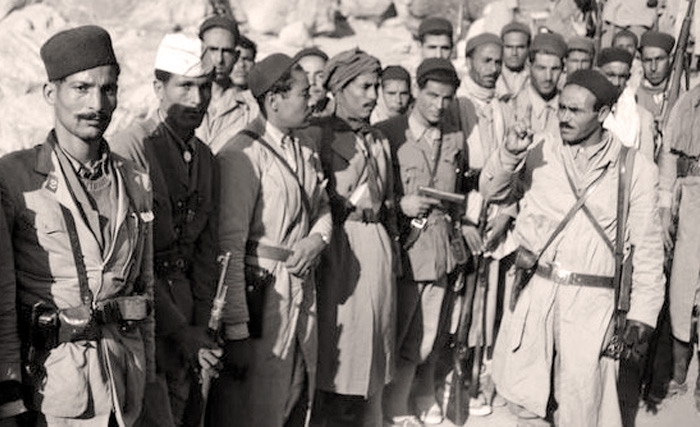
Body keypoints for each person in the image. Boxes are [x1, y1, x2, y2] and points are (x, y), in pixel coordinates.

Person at [484, 69, 665, 426]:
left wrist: (643, 314)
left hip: (591, 308)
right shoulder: (539, 152)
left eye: (575, 111)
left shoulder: (635, 169)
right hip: (537, 297)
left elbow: (647, 249)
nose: (564, 117)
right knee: (527, 402)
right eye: (561, 109)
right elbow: (493, 192)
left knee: (582, 408)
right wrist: (508, 155)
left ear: (601, 115)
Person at [0, 25, 155, 426]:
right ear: (51, 94)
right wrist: (8, 392)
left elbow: (144, 290)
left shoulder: (135, 179)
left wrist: (147, 378)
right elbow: (2, 296)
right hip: (55, 392)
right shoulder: (16, 180)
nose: (97, 104)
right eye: (81, 89)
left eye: (108, 89)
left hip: (126, 384)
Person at [209, 53, 332, 427]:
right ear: (273, 100)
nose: (310, 101)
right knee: (255, 404)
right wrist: (238, 330)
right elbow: (229, 246)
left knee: (296, 389)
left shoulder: (306, 146)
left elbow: (323, 207)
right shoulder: (240, 155)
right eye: (302, 93)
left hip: (301, 286)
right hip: (261, 295)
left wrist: (317, 240)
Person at [111, 32, 221, 427]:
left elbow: (208, 252)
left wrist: (202, 327)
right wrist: (181, 330)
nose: (197, 99)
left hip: (190, 318)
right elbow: (132, 257)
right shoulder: (133, 146)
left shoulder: (205, 158)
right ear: (159, 88)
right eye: (185, 87)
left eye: (205, 88)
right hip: (145, 320)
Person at [306, 48, 398, 427]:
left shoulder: (377, 139)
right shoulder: (319, 135)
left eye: (376, 86)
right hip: (342, 258)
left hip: (377, 253)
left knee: (374, 353)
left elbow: (387, 199)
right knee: (340, 359)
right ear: (340, 88)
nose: (373, 95)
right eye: (364, 86)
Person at [378, 58, 463, 427]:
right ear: (417, 91)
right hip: (401, 251)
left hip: (438, 252)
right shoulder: (387, 133)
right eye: (431, 95)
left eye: (446, 98)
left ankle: (405, 406)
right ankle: (387, 411)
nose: (438, 105)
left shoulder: (455, 138)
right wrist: (400, 204)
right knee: (394, 337)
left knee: (426, 339)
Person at [658, 82, 700, 414]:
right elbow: (669, 158)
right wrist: (663, 209)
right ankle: (678, 372)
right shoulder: (688, 101)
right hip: (690, 198)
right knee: (683, 288)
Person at [196, 15, 259, 155]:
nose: (219, 60)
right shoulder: (179, 100)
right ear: (198, 50)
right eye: (212, 49)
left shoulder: (251, 108)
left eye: (226, 51)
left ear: (236, 56)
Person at [598, 47, 656, 161]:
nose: (616, 83)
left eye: (622, 77)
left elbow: (647, 163)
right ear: (598, 73)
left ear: (628, 77)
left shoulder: (643, 117)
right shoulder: (585, 111)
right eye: (610, 75)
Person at [505, 32, 567, 136]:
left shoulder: (569, 108)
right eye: (541, 68)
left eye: (555, 69)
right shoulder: (511, 107)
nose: (548, 77)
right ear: (529, 67)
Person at [636, 31, 676, 137]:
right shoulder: (632, 94)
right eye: (647, 60)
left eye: (659, 59)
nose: (653, 67)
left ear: (670, 59)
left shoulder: (681, 94)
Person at [496, 21, 532, 102]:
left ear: (528, 48)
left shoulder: (535, 77)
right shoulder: (492, 75)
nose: (514, 53)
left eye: (520, 47)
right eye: (509, 47)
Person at [294, 47, 333, 117]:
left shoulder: (342, 117)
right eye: (305, 76)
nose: (312, 82)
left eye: (320, 76)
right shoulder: (280, 119)